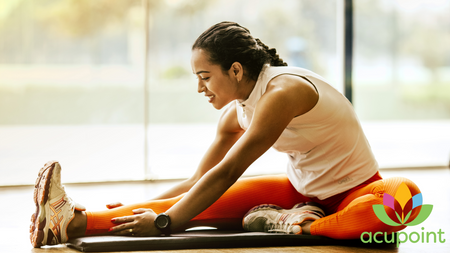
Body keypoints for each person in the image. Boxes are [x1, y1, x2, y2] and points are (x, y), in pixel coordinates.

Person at [30, 21, 420, 248]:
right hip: (300, 192)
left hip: (356, 191)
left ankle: (299, 224)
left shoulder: (283, 93)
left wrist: (167, 224)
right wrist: (134, 208)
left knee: (406, 199)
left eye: (205, 77)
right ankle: (66, 222)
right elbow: (198, 183)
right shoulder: (236, 112)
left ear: (235, 70)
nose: (200, 88)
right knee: (192, 201)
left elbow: (229, 171)